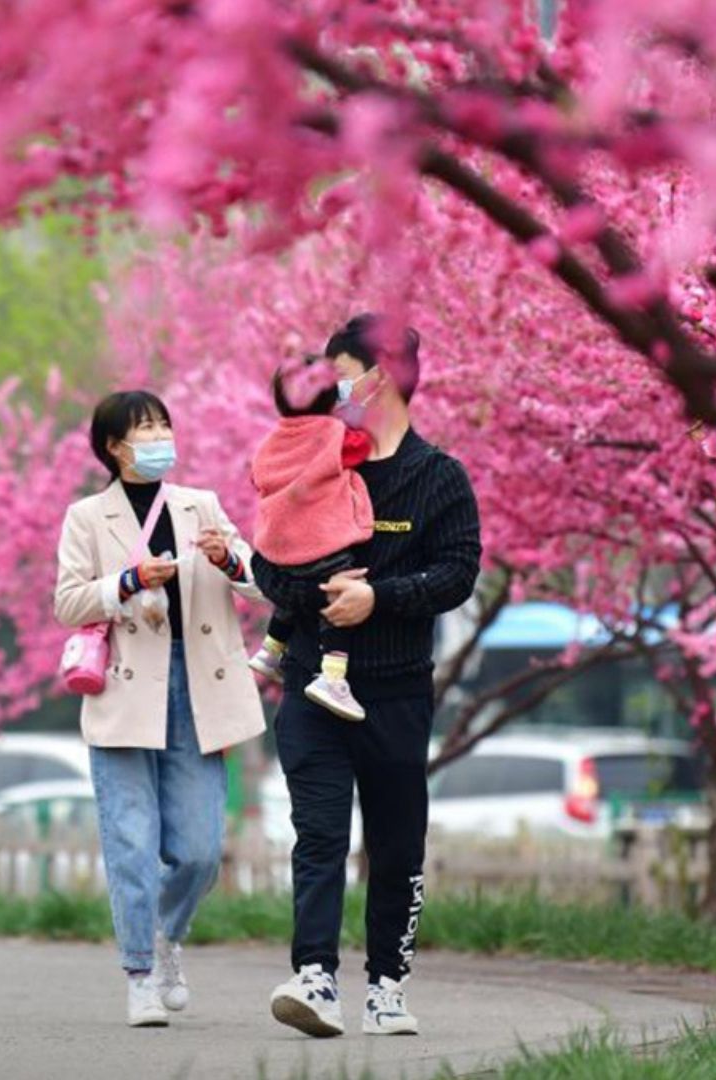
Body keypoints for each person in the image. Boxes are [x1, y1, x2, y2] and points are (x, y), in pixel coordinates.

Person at [253, 315, 482, 1039]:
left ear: (380, 377)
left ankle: (387, 986)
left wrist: (378, 597)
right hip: (311, 688)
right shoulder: (314, 457)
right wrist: (318, 593)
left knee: (397, 843)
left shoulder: (437, 477)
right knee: (318, 837)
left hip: (395, 692)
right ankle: (315, 977)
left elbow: (458, 573)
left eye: (341, 375)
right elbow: (266, 561)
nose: (330, 389)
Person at [53, 390, 268, 1027]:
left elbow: (260, 582)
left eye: (163, 425)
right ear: (114, 446)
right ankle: (141, 972)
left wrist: (229, 558)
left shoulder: (200, 504)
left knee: (200, 850)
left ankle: (168, 934)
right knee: (131, 842)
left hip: (198, 686)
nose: (157, 438)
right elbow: (67, 602)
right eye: (144, 429)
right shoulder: (87, 517)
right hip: (124, 690)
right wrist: (127, 581)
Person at [247, 354, 376, 722]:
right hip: (322, 542)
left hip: (280, 546)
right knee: (339, 600)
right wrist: (352, 418)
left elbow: (257, 476)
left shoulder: (274, 438)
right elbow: (359, 449)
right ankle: (332, 677)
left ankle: (270, 650)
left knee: (288, 601)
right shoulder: (332, 433)